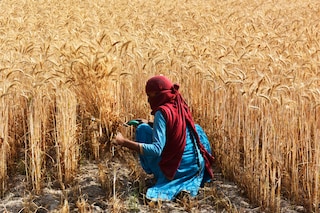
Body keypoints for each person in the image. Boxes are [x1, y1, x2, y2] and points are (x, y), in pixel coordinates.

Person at [113, 75, 214, 201]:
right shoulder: (178, 103)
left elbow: (156, 149)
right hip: (195, 167)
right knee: (196, 128)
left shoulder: (162, 112)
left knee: (142, 130)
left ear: (159, 94)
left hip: (179, 168)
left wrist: (123, 142)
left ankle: (164, 175)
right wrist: (151, 123)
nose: (149, 101)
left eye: (150, 96)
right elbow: (176, 127)